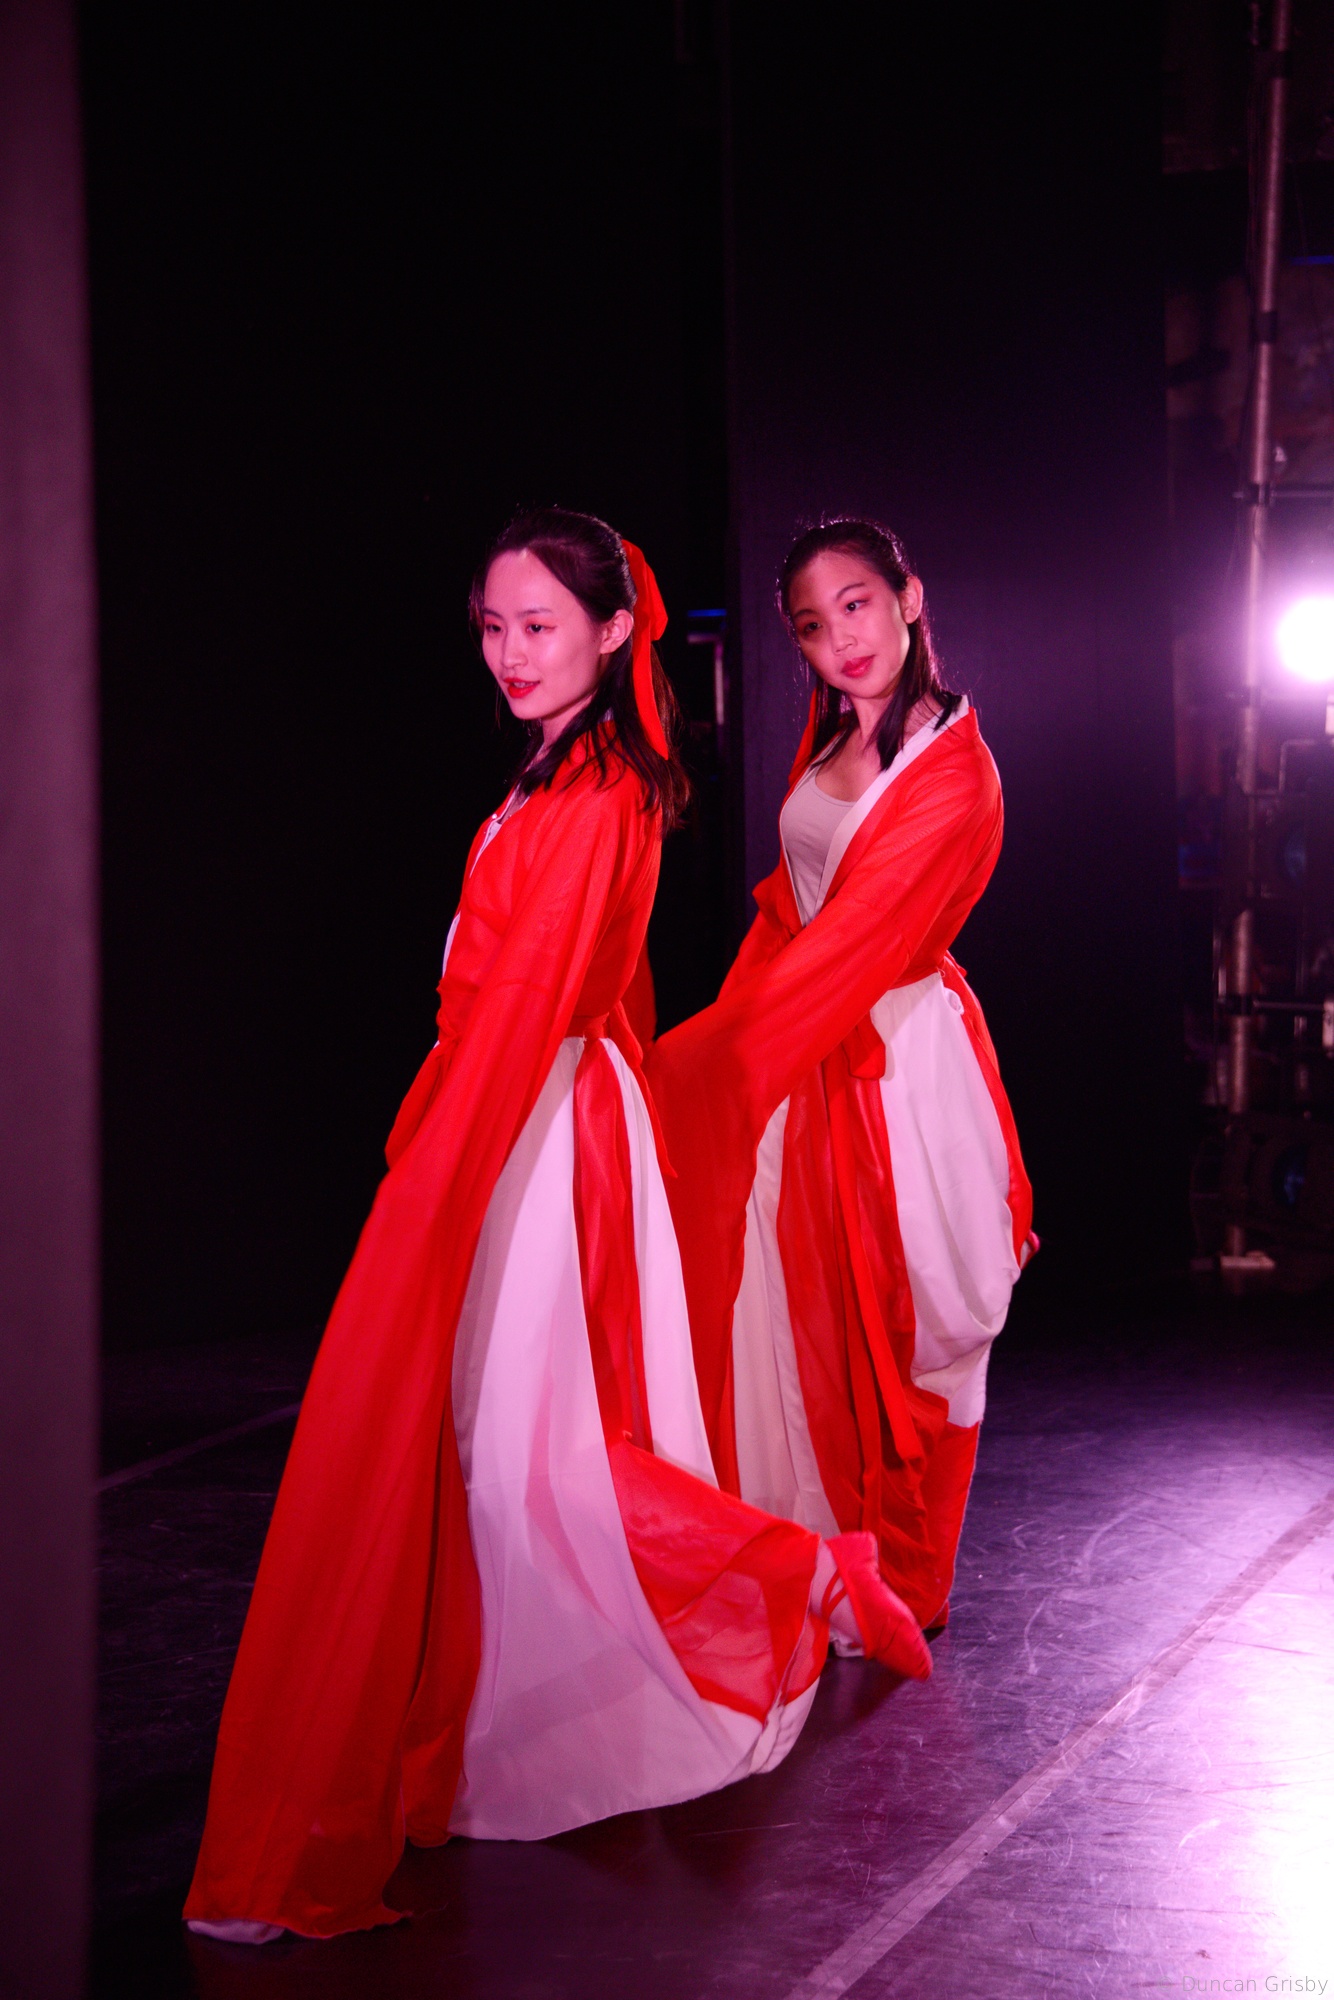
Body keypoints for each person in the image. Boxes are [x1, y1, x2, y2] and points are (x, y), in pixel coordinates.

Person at [184, 507, 930, 1947]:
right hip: (522, 1104)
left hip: (533, 1121)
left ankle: (779, 1580)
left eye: (538, 625)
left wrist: (445, 1171)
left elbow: (534, 1000)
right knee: (504, 1451)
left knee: (536, 1454)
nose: (511, 653)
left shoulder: (599, 793)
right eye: (491, 627)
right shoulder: (558, 770)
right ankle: (525, 1693)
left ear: (611, 629)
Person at [648, 518, 1034, 1643]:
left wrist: (710, 1060)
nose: (841, 640)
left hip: (895, 1062)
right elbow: (788, 911)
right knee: (789, 1307)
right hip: (802, 1045)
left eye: (857, 605)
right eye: (813, 627)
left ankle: (904, 1578)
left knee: (916, 1318)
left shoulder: (953, 770)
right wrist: (739, 1044)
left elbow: (857, 939)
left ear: (908, 597)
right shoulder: (830, 745)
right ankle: (813, 1561)